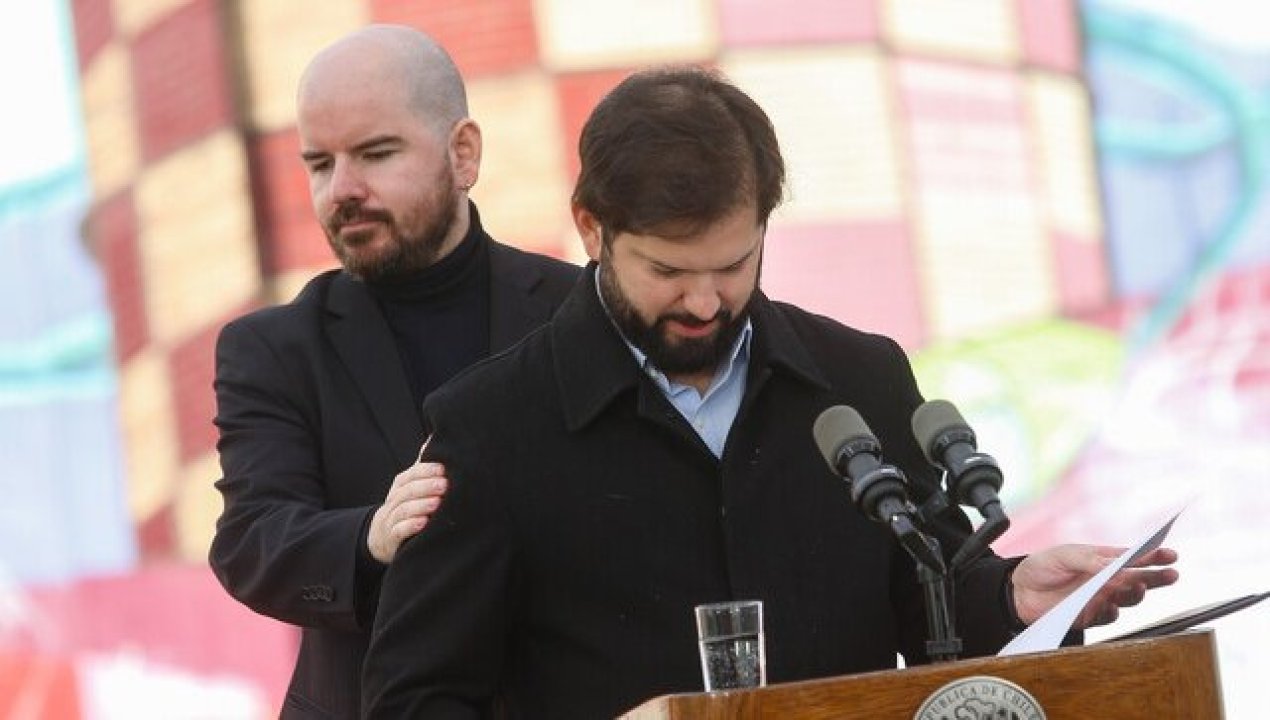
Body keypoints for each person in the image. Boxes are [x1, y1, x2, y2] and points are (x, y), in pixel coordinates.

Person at [361, 67, 1177, 718]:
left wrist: (1013, 596)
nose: (704, 302)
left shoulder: (859, 378)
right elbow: (413, 700)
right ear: (591, 227)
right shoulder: (490, 426)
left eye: (734, 264)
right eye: (668, 270)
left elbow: (931, 598)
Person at [207, 25, 580, 718]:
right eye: (320, 164)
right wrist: (370, 536)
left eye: (376, 154)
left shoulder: (577, 313)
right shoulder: (273, 349)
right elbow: (251, 541)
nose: (342, 190)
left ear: (463, 153)